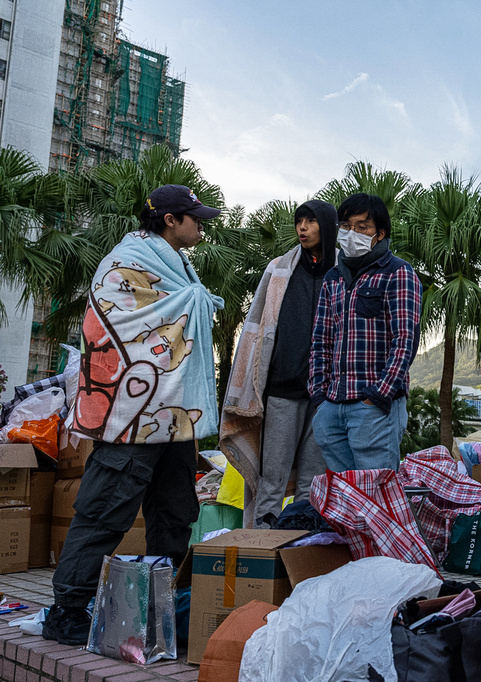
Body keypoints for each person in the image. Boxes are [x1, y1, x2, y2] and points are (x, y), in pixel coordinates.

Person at [43, 184, 224, 645]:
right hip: (133, 417)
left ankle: (159, 611)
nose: (200, 224)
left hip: (174, 415)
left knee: (174, 515)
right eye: (194, 217)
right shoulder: (128, 262)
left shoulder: (174, 264)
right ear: (169, 219)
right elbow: (114, 322)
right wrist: (191, 304)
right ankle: (66, 610)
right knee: (104, 512)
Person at [220, 200, 339, 528]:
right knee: (271, 478)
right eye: (299, 221)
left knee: (312, 481)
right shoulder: (279, 269)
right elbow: (256, 327)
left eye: (310, 222)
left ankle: (298, 547)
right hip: (283, 389)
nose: (302, 227)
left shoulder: (344, 274)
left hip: (325, 395)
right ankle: (261, 546)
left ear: (327, 226)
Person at [308, 193, 421, 472]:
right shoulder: (333, 278)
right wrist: (320, 398)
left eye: (362, 227)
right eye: (346, 226)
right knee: (346, 500)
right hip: (332, 407)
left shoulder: (398, 273)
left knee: (377, 498)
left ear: (380, 234)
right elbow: (321, 341)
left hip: (373, 407)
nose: (351, 233)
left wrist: (378, 395)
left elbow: (405, 341)